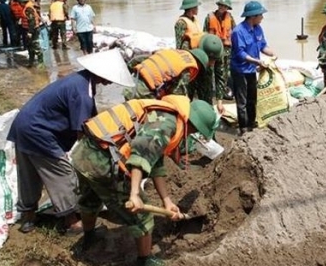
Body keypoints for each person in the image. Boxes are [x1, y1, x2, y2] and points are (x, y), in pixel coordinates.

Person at [71, 96, 217, 266]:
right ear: (193, 124)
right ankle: (145, 260)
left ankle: (89, 237)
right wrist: (134, 194)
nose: (192, 135)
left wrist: (167, 201)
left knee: (91, 199)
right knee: (143, 216)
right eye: (194, 131)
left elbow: (156, 164)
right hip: (101, 162)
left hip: (83, 153)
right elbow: (140, 154)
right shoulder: (167, 124)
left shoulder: (165, 111)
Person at [6, 49, 135, 235]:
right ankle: (71, 222)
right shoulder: (82, 92)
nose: (111, 82)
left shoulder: (80, 80)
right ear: (102, 73)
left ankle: (28, 218)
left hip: (23, 125)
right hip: (39, 132)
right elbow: (83, 131)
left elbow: (93, 120)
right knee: (63, 174)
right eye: (111, 77)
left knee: (29, 175)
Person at [230, 1, 276, 135]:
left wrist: (273, 53)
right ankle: (243, 128)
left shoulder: (258, 29)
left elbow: (262, 46)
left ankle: (252, 124)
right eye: (260, 15)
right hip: (240, 70)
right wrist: (257, 62)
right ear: (252, 16)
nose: (262, 17)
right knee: (242, 100)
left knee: (252, 98)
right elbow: (240, 53)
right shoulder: (238, 32)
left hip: (251, 70)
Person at [123, 48, 210, 100]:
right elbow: (177, 96)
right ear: (199, 65)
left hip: (131, 84)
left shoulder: (173, 52)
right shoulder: (187, 69)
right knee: (158, 119)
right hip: (143, 93)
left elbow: (137, 59)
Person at [203, 0, 236, 100]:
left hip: (226, 50)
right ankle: (209, 92)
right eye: (221, 5)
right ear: (218, 6)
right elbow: (204, 34)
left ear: (227, 8)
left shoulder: (230, 18)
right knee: (210, 71)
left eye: (225, 6)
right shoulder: (209, 17)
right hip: (213, 49)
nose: (222, 8)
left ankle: (222, 92)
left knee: (224, 73)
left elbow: (235, 32)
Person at [186, 34, 226, 114]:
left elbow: (220, 76)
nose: (212, 63)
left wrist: (219, 101)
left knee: (207, 107)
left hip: (206, 74)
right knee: (185, 105)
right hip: (190, 72)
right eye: (209, 59)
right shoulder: (188, 47)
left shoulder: (218, 51)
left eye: (214, 60)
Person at [18, 0, 43, 67]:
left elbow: (32, 21)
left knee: (35, 46)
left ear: (22, 2)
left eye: (20, 3)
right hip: (29, 29)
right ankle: (31, 62)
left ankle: (41, 63)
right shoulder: (27, 7)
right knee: (30, 46)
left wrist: (30, 32)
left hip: (33, 30)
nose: (20, 5)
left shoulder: (28, 8)